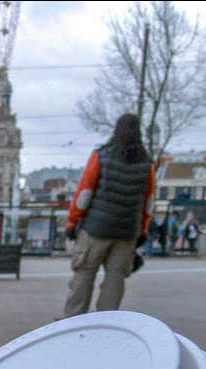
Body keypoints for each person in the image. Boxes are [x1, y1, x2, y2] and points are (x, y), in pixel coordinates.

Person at [61, 113, 155, 318]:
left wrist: (72, 222)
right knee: (115, 278)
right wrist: (143, 229)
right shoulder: (147, 163)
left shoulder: (102, 155)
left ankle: (72, 320)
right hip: (127, 232)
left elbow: (84, 194)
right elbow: (148, 202)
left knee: (84, 274)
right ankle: (107, 322)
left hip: (96, 229)